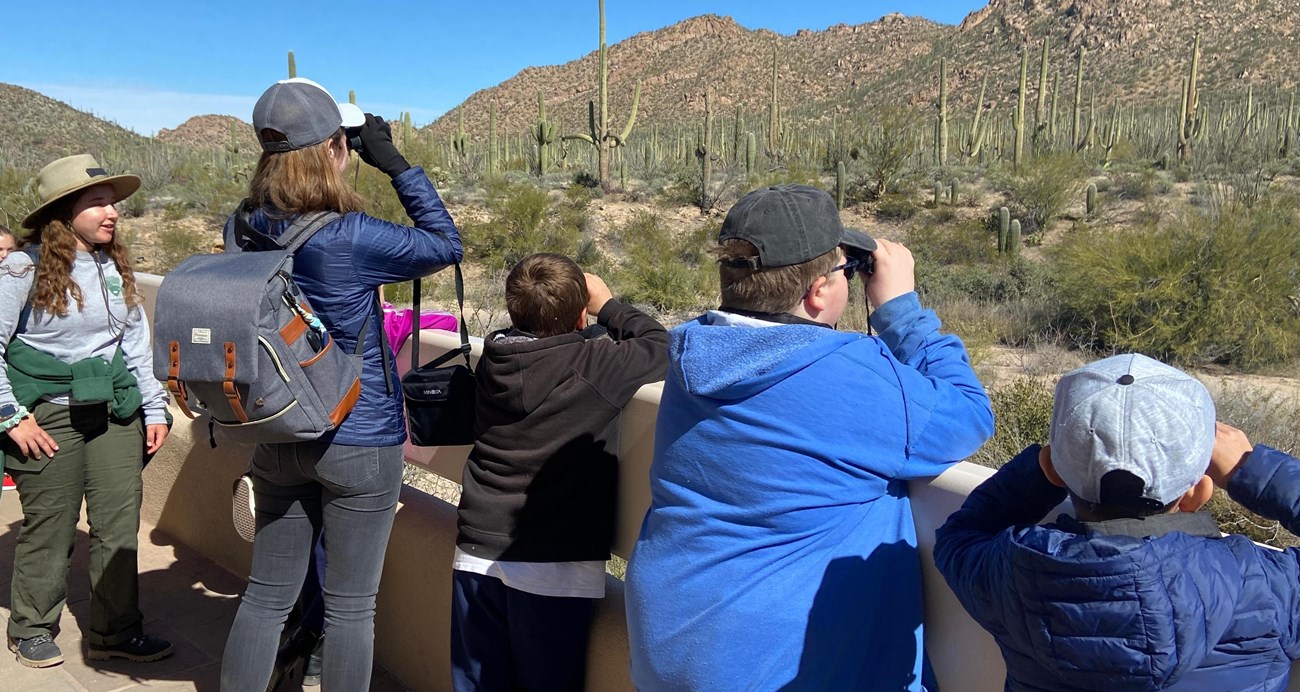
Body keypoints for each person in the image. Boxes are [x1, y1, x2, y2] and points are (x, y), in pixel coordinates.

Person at [625, 184, 994, 691]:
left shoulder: (695, 353)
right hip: (772, 670)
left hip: (673, 648)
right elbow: (970, 415)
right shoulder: (841, 373)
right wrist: (901, 311)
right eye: (847, 270)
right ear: (820, 291)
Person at [218, 77, 463, 691]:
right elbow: (446, 243)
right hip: (358, 436)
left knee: (266, 598)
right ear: (334, 149)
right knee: (352, 609)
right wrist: (397, 164)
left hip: (276, 428)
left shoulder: (243, 226)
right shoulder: (347, 236)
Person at [935, 353, 1300, 691]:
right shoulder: (1265, 587)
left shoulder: (1010, 573)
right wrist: (1250, 472)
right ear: (1198, 493)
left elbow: (960, 535)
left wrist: (1038, 473)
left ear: (1058, 472)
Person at [451, 253, 668, 691]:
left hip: (477, 546)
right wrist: (609, 306)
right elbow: (663, 346)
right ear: (580, 315)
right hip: (555, 565)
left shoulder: (493, 357)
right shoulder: (596, 366)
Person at [2, 155, 172, 668]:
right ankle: (31, 625)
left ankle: (115, 630)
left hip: (114, 412)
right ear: (62, 212)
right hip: (45, 414)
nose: (112, 212)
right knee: (51, 524)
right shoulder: (20, 269)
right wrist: (10, 416)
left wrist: (155, 407)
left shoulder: (114, 268)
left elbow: (135, 343)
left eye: (112, 202)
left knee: (118, 525)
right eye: (96, 202)